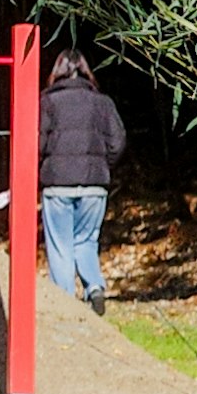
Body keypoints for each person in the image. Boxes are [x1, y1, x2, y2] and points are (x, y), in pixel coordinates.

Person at [37, 47, 126, 300]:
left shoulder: (47, 102)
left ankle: (64, 301)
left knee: (60, 246)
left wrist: (41, 169)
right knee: (86, 240)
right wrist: (102, 165)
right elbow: (117, 141)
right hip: (94, 185)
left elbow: (38, 143)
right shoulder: (102, 102)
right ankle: (95, 286)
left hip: (57, 184)